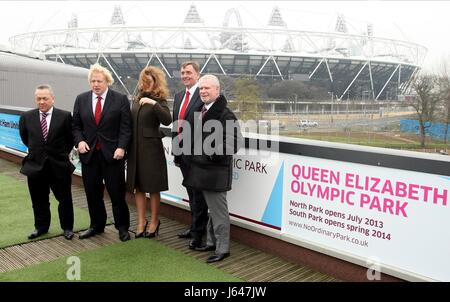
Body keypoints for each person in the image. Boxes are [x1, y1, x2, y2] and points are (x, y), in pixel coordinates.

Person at [183, 74, 243, 263]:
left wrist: (212, 153)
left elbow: (235, 142)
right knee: (210, 210)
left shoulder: (226, 114)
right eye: (201, 88)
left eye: (207, 88)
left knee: (218, 212)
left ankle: (223, 248)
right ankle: (211, 242)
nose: (203, 91)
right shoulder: (201, 110)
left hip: (215, 172)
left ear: (217, 90)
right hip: (201, 171)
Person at [72, 63, 132, 242]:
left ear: (107, 81)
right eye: (92, 81)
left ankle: (122, 227)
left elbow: (126, 128)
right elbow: (76, 126)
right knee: (92, 193)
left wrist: (122, 147)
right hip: (89, 155)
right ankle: (96, 225)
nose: (95, 84)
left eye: (99, 81)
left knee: (116, 194)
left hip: (113, 155)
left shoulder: (120, 99)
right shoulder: (81, 99)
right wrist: (80, 141)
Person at [19, 84, 75, 240]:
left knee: (64, 199)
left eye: (45, 98)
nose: (41, 101)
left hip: (59, 165)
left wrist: (58, 154)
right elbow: (26, 138)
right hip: (35, 166)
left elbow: (70, 140)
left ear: (52, 98)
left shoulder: (64, 116)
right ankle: (41, 227)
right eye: (38, 98)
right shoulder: (26, 117)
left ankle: (67, 228)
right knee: (38, 200)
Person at [126, 66, 172, 238]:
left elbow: (168, 120)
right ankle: (141, 221)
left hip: (151, 151)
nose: (145, 85)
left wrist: (153, 104)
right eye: (143, 82)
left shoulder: (160, 100)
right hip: (135, 150)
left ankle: (154, 221)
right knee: (138, 187)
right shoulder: (136, 100)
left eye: (149, 82)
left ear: (155, 82)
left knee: (153, 187)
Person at [172, 61, 209, 249]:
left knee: (199, 195)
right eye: (182, 72)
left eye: (188, 72)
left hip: (198, 155)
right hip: (183, 155)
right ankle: (194, 226)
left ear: (197, 74)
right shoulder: (179, 96)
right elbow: (175, 125)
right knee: (191, 193)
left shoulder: (203, 93)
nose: (185, 75)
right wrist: (176, 152)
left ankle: (198, 234)